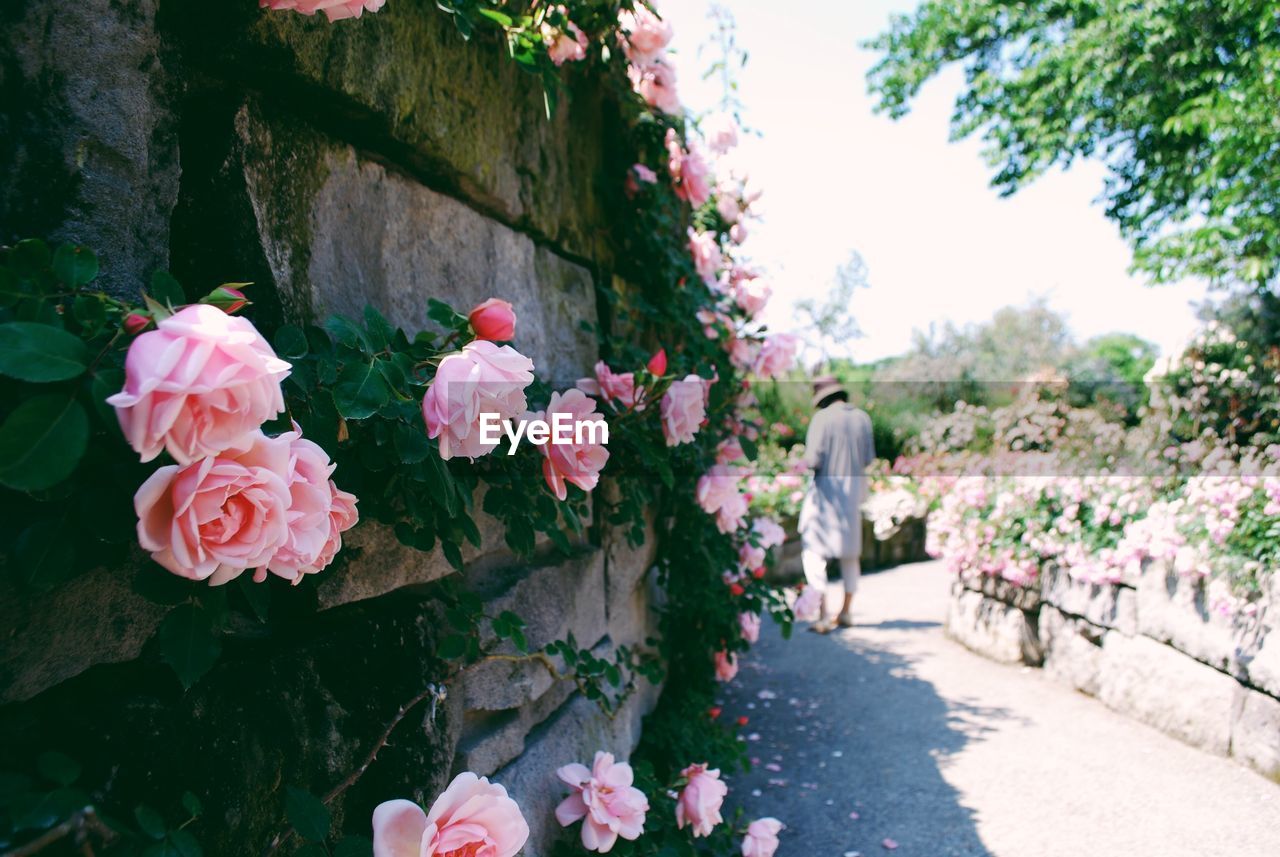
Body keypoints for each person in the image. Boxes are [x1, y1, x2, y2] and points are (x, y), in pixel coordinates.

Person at [798, 375, 875, 633]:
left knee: (813, 553)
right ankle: (846, 612)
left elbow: (813, 459)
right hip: (853, 495)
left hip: (824, 496)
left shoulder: (822, 419)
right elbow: (867, 458)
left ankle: (822, 615)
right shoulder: (862, 418)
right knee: (851, 554)